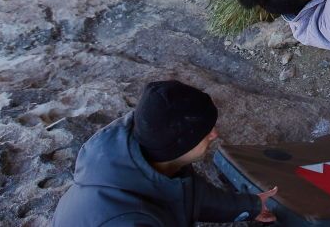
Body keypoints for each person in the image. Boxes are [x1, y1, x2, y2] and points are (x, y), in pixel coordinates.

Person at [52, 80, 277, 226]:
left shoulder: (153, 160)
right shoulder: (124, 220)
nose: (214, 134)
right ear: (178, 145)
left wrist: (250, 206)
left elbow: (189, 195)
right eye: (204, 132)